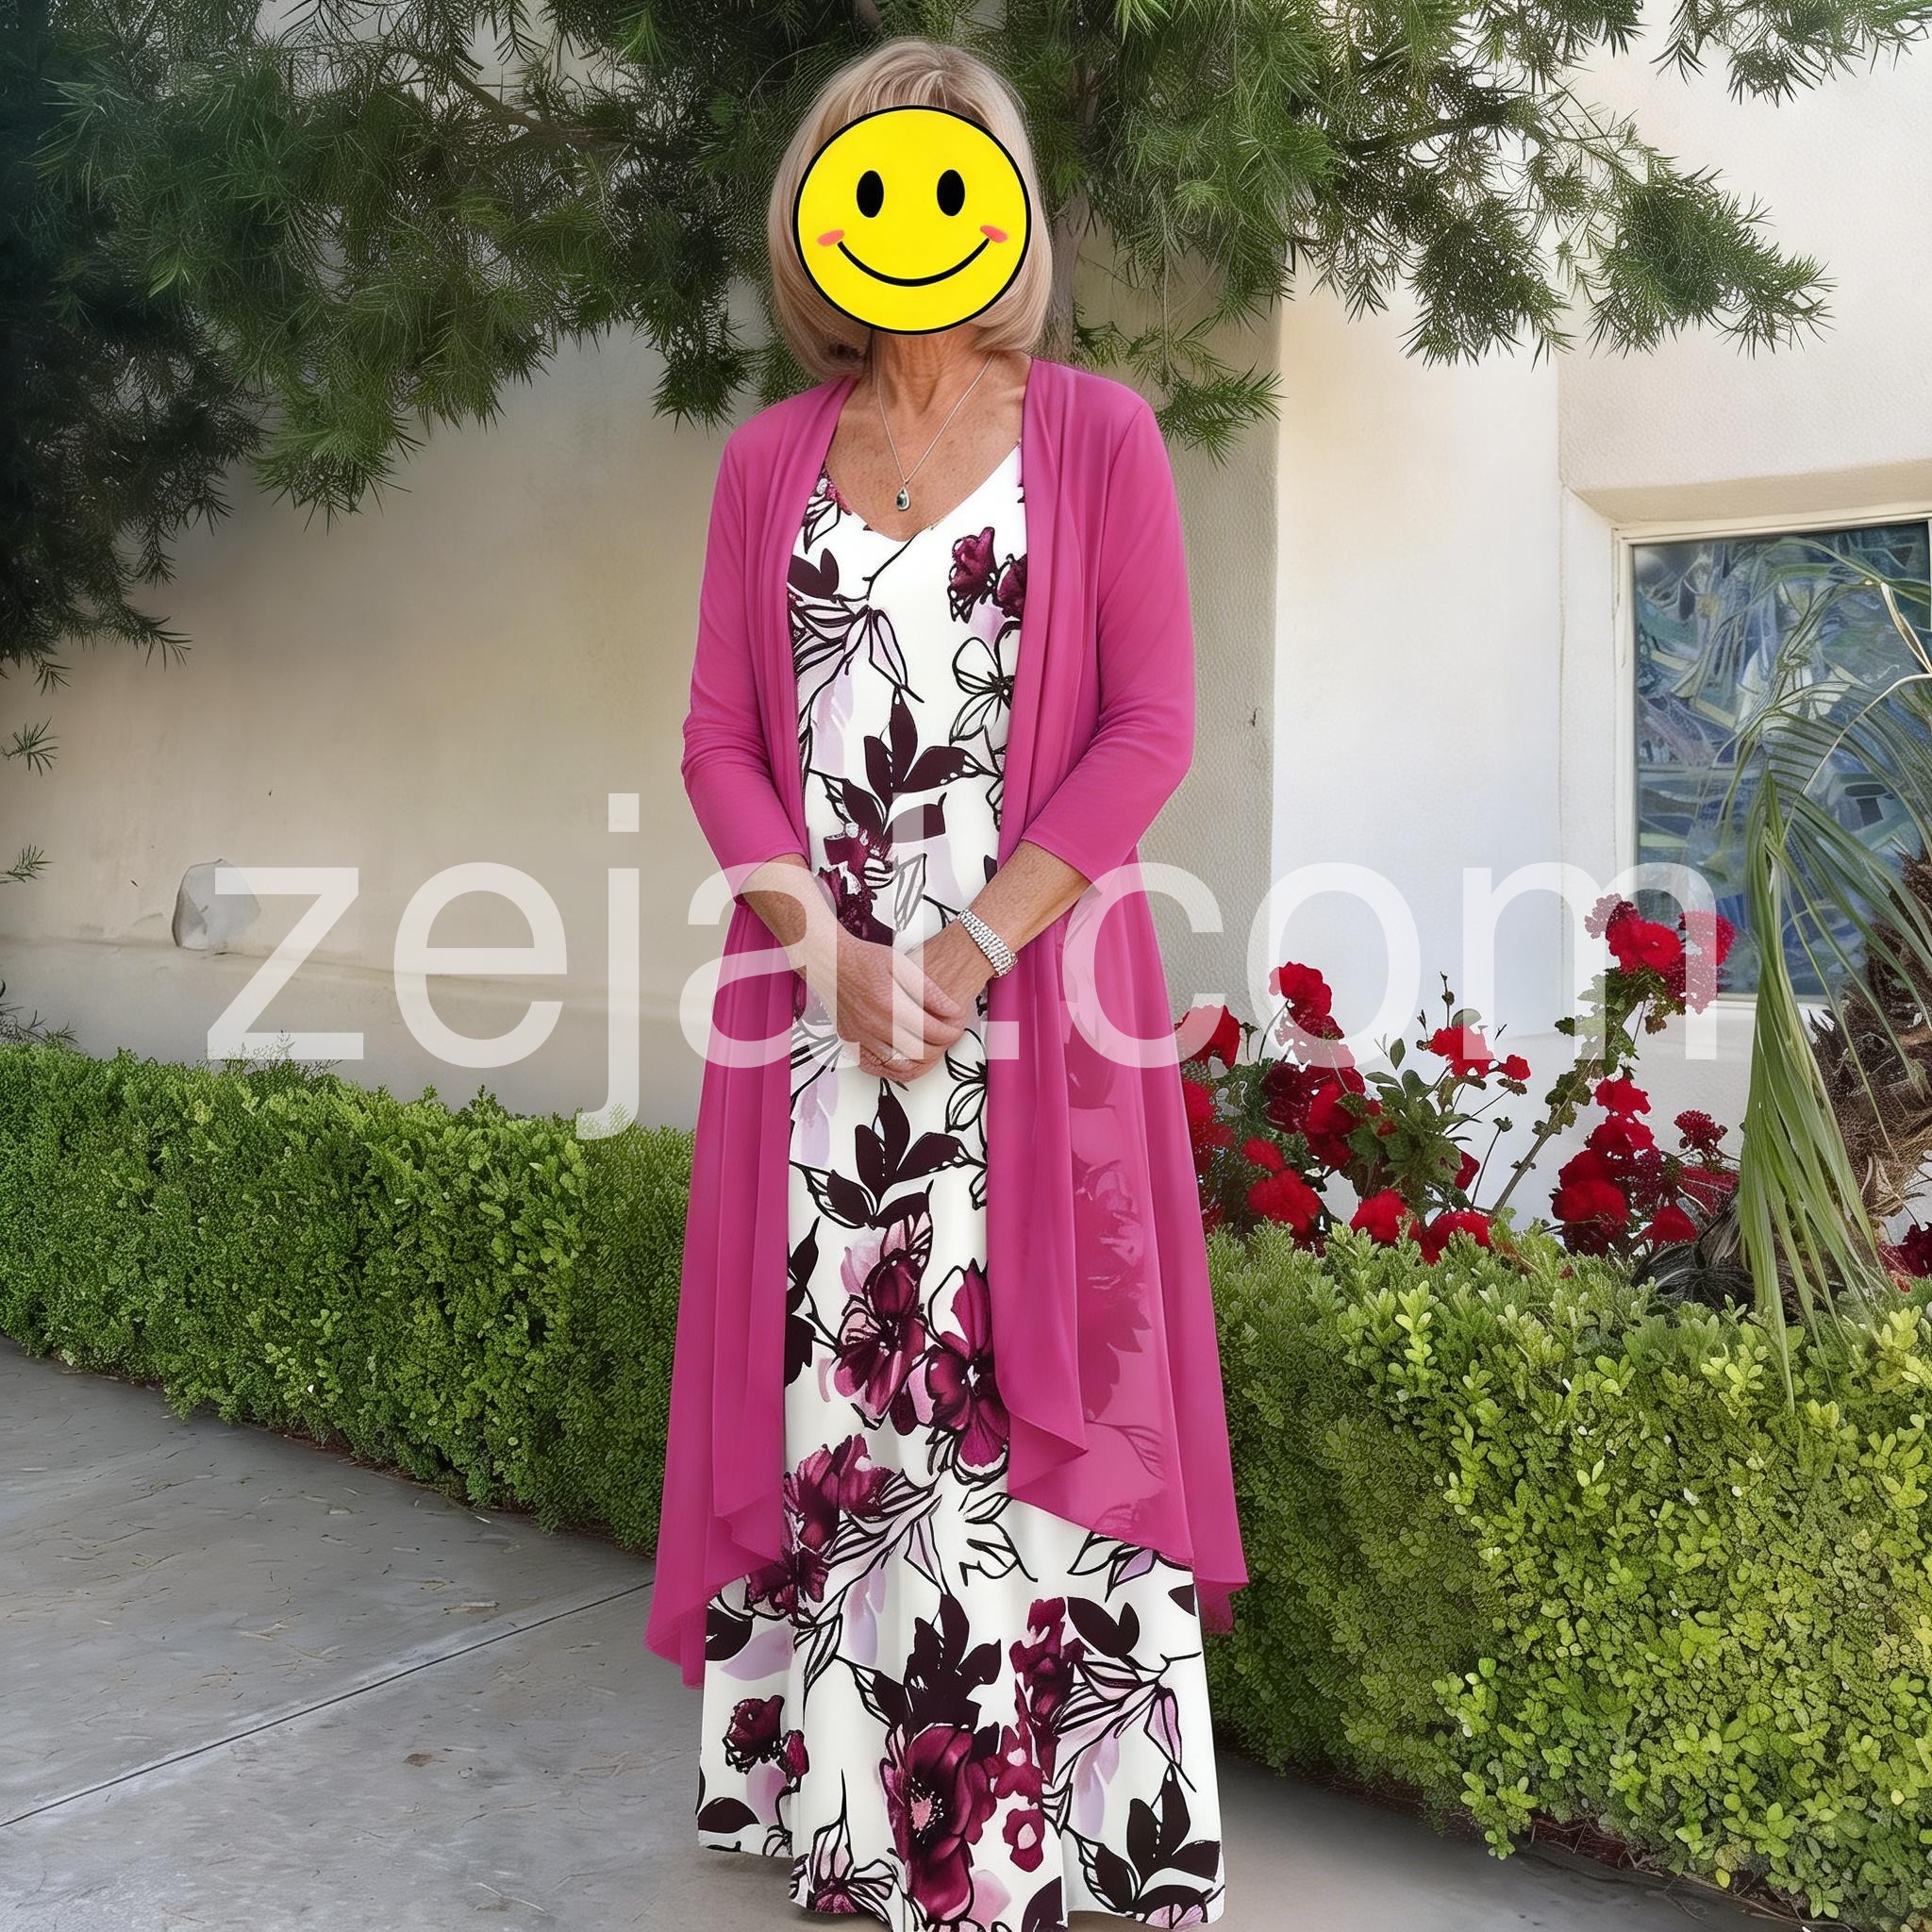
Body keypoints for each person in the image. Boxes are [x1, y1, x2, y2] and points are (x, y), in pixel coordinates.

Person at [645, 37, 1248, 1931]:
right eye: (870, 173)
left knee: (1024, 1405)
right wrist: (826, 956)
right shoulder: (766, 460)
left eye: (945, 171)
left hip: (1030, 1012)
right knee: (853, 1407)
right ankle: (862, 1822)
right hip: (822, 1029)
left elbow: (1148, 727)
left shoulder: (1097, 435)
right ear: (819, 215)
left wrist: (968, 948)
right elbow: (718, 741)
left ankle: (1042, 1840)